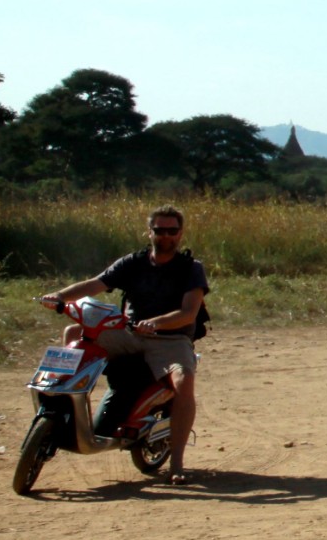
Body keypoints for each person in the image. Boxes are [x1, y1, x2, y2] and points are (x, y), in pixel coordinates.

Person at [41, 205, 209, 484]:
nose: (165, 236)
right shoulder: (134, 262)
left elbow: (188, 313)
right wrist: (59, 296)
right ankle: (65, 408)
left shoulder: (191, 268)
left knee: (185, 379)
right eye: (159, 230)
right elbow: (95, 284)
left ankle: (177, 463)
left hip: (170, 339)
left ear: (181, 234)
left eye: (172, 231)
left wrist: (155, 322)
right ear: (150, 232)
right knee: (74, 333)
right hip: (129, 334)